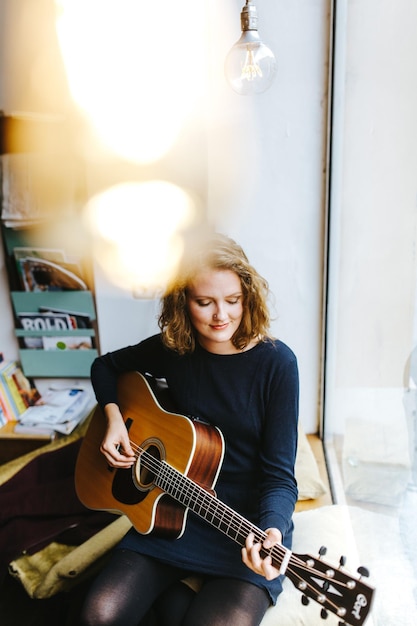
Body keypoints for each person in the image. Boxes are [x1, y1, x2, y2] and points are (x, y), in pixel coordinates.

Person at [78, 233, 299, 626]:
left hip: (242, 525)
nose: (221, 316)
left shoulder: (277, 364)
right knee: (99, 614)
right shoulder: (176, 350)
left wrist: (272, 531)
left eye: (233, 300)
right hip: (171, 510)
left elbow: (280, 475)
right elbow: (104, 366)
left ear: (248, 296)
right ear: (183, 303)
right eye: (204, 302)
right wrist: (114, 419)